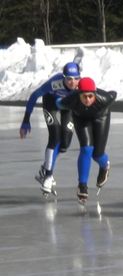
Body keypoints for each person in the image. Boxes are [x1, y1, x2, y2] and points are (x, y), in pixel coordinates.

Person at [19, 62, 81, 195]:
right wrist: (26, 120)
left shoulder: (81, 86)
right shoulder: (55, 82)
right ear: (64, 77)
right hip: (51, 104)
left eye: (76, 78)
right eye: (69, 78)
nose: (72, 82)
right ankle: (48, 175)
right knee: (55, 136)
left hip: (67, 108)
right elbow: (34, 95)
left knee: (64, 145)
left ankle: (45, 168)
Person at [56, 77, 116, 203]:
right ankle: (82, 186)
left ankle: (105, 166)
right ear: (78, 94)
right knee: (86, 149)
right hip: (81, 119)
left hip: (101, 116)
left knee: (97, 155)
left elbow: (113, 94)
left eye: (90, 96)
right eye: (84, 96)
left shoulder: (105, 99)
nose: (88, 99)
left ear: (95, 94)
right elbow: (58, 103)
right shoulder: (71, 100)